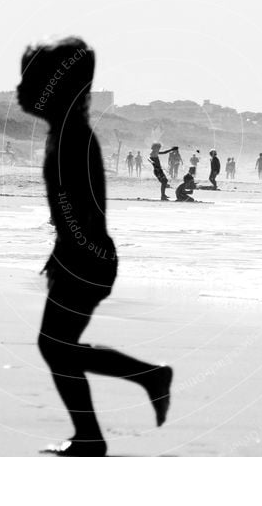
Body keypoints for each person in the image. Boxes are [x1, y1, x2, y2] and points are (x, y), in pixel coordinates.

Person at [16, 36, 173, 457]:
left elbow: (81, 210)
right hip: (84, 257)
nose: (20, 90)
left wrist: (71, 254)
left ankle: (131, 395)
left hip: (85, 259)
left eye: (29, 81)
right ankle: (133, 392)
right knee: (58, 346)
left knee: (54, 346)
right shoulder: (67, 132)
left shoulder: (71, 137)